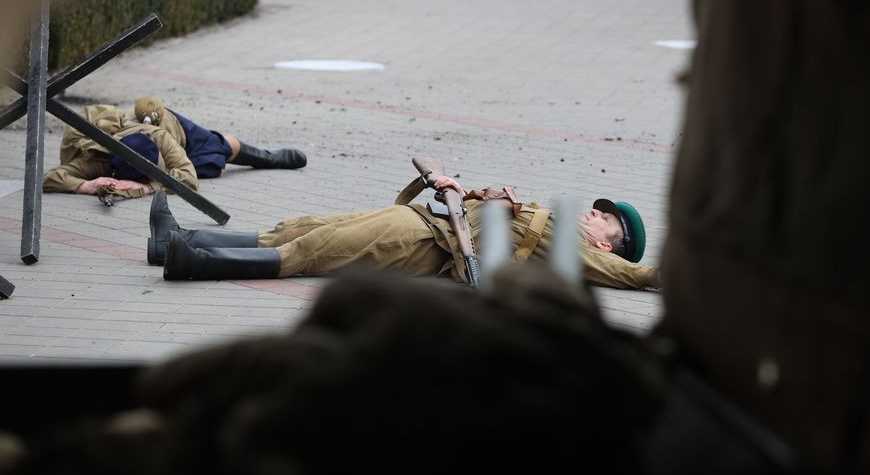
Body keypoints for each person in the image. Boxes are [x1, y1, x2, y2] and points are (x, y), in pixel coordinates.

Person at [149, 174, 660, 290]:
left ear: (603, 243)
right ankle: (181, 239)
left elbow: (640, 277)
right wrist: (459, 187)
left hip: (426, 246)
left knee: (315, 250)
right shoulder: (553, 220)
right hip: (427, 222)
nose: (595, 214)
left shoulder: (581, 251)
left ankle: (196, 265)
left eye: (606, 221)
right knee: (303, 227)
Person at [43, 96, 307, 199]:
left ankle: (267, 158)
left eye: (158, 167)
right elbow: (46, 179)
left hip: (178, 131)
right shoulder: (99, 161)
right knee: (214, 168)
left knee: (222, 148)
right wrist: (84, 185)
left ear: (158, 155)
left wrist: (150, 187)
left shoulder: (160, 137)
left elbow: (187, 178)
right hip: (147, 150)